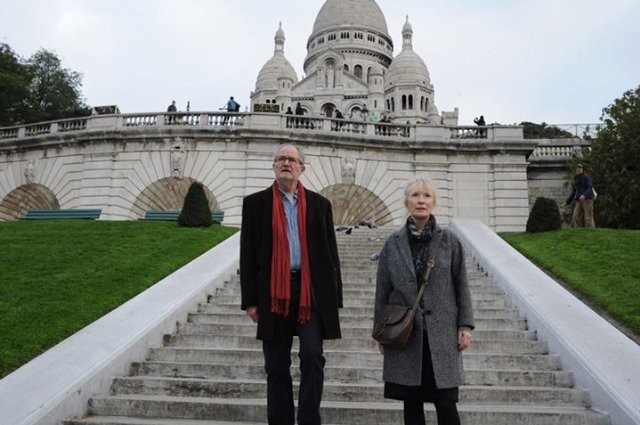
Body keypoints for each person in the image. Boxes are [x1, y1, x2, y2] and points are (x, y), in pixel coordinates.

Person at [240, 143, 343, 425]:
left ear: (302, 168)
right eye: (281, 159)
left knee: (312, 358)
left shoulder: (321, 205)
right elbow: (247, 254)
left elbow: (330, 254)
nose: (286, 163)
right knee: (276, 366)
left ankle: (309, 420)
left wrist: (334, 299)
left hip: (311, 293)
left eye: (292, 159)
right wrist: (250, 301)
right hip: (274, 293)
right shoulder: (255, 204)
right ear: (274, 166)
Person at [373, 177, 474, 425]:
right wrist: (380, 332)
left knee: (446, 403)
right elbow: (382, 290)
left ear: (434, 202)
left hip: (442, 334)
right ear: (406, 202)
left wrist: (465, 326)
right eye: (415, 195)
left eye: (426, 196)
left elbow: (461, 284)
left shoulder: (449, 241)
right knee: (412, 405)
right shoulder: (392, 244)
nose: (421, 200)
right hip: (407, 335)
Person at [564, 163, 596, 228]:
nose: (578, 169)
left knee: (588, 219)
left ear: (583, 170)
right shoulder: (576, 179)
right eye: (577, 168)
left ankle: (590, 233)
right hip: (579, 201)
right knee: (575, 218)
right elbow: (573, 192)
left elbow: (589, 188)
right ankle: (578, 233)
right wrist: (567, 202)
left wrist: (584, 195)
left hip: (587, 200)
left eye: (580, 168)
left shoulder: (587, 177)